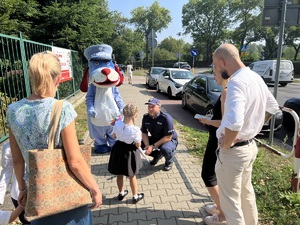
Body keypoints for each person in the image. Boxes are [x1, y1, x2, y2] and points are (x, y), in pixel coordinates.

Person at [6, 51, 102, 225]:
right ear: (58, 78)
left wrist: (22, 188)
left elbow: (17, 161)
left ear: (32, 77)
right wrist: (94, 188)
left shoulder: (13, 111)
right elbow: (75, 162)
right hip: (68, 194)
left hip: (37, 194)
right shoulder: (62, 109)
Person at [205, 43, 279, 225]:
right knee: (247, 195)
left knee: (231, 206)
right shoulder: (255, 77)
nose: (215, 69)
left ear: (222, 62)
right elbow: (273, 108)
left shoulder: (236, 82)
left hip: (234, 153)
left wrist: (228, 143)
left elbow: (234, 122)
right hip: (249, 147)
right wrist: (254, 126)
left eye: (215, 65)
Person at [198, 72, 228, 223]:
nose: (213, 74)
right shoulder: (227, 91)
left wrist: (208, 121)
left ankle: (222, 214)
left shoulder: (226, 92)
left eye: (215, 70)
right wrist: (211, 120)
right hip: (216, 139)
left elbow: (224, 122)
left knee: (207, 175)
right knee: (215, 175)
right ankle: (219, 206)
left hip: (218, 141)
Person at [108, 104, 144, 204]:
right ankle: (135, 196)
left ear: (123, 113)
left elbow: (114, 135)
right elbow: (137, 144)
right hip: (129, 151)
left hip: (118, 149)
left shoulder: (117, 124)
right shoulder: (136, 130)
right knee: (131, 175)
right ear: (135, 115)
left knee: (119, 173)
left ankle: (121, 193)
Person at [141, 98, 178, 171]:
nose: (150, 109)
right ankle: (157, 155)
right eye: (149, 107)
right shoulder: (146, 117)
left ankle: (169, 161)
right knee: (138, 143)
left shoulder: (166, 118)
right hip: (156, 138)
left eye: (153, 107)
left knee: (165, 149)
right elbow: (144, 132)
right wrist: (147, 145)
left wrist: (153, 146)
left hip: (169, 140)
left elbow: (168, 137)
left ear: (159, 107)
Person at [0, 142, 30, 225]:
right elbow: (6, 172)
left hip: (19, 194)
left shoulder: (9, 145)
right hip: (20, 195)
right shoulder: (9, 146)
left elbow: (6, 172)